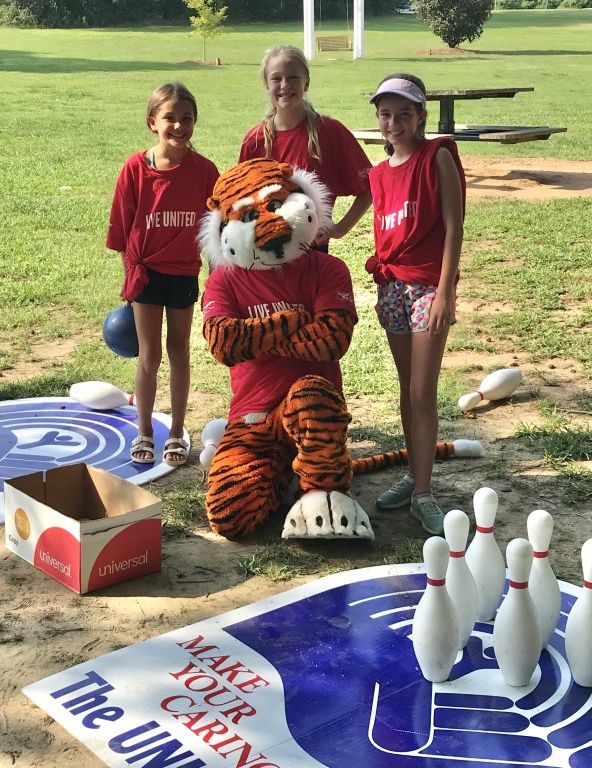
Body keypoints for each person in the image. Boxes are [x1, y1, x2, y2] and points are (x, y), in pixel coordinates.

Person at [365, 73, 466, 536]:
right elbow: (361, 214)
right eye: (386, 114)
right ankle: (414, 476)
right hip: (393, 289)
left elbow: (453, 227)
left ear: (421, 115)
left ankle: (424, 494)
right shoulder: (380, 173)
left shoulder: (437, 156)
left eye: (404, 114)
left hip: (428, 288)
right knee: (407, 389)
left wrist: (446, 290)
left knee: (424, 391)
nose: (394, 122)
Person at [105, 82, 219, 466]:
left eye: (186, 118)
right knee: (149, 355)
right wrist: (130, 277)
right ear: (152, 122)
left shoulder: (205, 171)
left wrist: (217, 277)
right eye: (170, 117)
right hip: (147, 274)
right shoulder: (135, 169)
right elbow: (122, 230)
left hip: (184, 273)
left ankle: (175, 433)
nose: (179, 126)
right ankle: (144, 432)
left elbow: (215, 227)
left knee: (179, 351)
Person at [239, 44, 371, 251]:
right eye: (276, 78)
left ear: (306, 82)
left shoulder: (329, 132)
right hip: (267, 252)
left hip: (313, 251)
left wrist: (340, 228)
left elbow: (370, 187)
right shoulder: (254, 140)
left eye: (293, 78)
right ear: (266, 84)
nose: (285, 85)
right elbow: (241, 200)